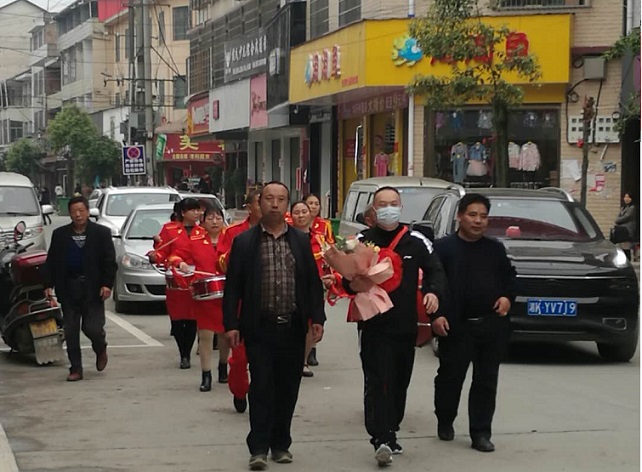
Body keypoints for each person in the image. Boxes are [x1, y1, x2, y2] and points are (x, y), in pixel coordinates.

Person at [223, 182, 325, 471]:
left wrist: (317, 318)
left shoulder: (300, 241)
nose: (275, 204)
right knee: (261, 388)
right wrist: (231, 324)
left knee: (288, 388)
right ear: (260, 203)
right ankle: (258, 448)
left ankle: (281, 444)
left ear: (287, 204)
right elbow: (233, 287)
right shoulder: (245, 242)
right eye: (269, 198)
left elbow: (312, 283)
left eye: (281, 199)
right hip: (259, 327)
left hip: (292, 326)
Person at [341, 186, 447, 466]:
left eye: (393, 203)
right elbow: (345, 278)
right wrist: (352, 284)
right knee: (377, 379)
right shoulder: (361, 241)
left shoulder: (416, 240)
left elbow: (436, 270)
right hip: (372, 325)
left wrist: (433, 293)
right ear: (373, 210)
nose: (388, 209)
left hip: (404, 325)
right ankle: (381, 437)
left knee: (399, 380)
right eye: (382, 204)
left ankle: (391, 428)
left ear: (401, 207)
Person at [432, 193, 517, 453]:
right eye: (472, 215)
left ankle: (481, 432)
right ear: (460, 216)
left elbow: (510, 278)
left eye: (483, 216)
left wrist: (506, 297)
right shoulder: (443, 248)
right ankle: (445, 418)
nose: (478, 221)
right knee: (450, 377)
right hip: (456, 326)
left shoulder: (495, 249)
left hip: (490, 325)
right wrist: (437, 315)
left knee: (486, 380)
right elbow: (433, 285)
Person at [43, 196, 116, 381]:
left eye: (81, 211)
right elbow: (51, 262)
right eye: (74, 211)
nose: (78, 215)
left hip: (93, 289)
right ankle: (75, 368)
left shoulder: (101, 233)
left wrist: (107, 284)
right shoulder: (60, 235)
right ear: (69, 214)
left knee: (93, 328)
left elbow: (109, 261)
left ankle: (100, 347)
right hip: (68, 288)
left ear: (87, 212)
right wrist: (48, 284)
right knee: (71, 331)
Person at [171, 203, 230, 390]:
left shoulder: (232, 240)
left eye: (218, 218)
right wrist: (180, 263)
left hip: (227, 293)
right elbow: (176, 256)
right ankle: (206, 374)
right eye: (210, 218)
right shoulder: (195, 241)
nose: (214, 221)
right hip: (205, 296)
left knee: (225, 334)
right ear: (203, 222)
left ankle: (223, 366)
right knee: (205, 334)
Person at [217, 188, 262, 413]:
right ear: (249, 207)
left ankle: (262, 396)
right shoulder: (233, 233)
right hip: (244, 303)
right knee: (240, 358)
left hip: (273, 304)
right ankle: (239, 390)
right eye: (261, 202)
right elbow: (221, 263)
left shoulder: (286, 232)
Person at [150, 198, 202, 369]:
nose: (197, 213)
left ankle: (186, 354)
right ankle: (182, 351)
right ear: (183, 213)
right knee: (178, 318)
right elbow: (162, 252)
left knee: (193, 318)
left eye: (198, 210)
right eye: (193, 210)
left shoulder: (202, 231)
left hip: (195, 278)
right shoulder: (169, 229)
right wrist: (155, 256)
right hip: (176, 279)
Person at [289, 201, 336, 378]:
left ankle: (303, 361)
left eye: (304, 212)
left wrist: (332, 277)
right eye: (297, 212)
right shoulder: (285, 237)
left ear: (311, 215)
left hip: (314, 286)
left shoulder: (319, 238)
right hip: (290, 286)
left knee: (311, 323)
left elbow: (330, 259)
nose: (301, 215)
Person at [301, 193, 334, 367]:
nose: (313, 206)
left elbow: (330, 246)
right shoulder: (292, 224)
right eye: (310, 203)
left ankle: (312, 350)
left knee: (316, 313)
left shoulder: (324, 225)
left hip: (319, 275)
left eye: (316, 203)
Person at [614, 192, 637, 260]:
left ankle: (627, 258)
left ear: (631, 199)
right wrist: (618, 220)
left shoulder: (632, 208)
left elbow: (626, 217)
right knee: (620, 244)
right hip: (621, 228)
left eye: (628, 197)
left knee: (626, 245)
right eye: (625, 197)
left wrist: (617, 220)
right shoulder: (623, 207)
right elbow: (619, 216)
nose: (626, 199)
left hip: (627, 228)